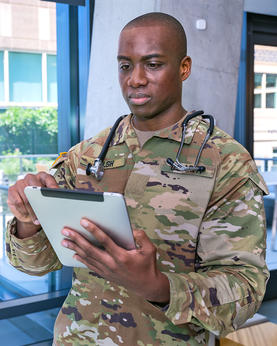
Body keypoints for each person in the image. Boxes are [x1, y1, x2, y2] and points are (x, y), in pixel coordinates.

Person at [6, 12, 269, 346]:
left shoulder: (225, 162)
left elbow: (245, 290)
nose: (135, 79)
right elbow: (35, 264)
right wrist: (28, 222)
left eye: (153, 64)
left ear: (184, 68)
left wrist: (159, 287)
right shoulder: (86, 155)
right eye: (125, 66)